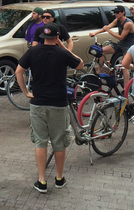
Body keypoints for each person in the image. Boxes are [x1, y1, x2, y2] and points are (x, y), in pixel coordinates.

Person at [15, 23, 83, 193]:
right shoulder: (62, 53)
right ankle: (59, 178)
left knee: (40, 141)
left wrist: (26, 92)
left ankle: (42, 180)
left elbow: (18, 71)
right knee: (59, 143)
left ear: (43, 38)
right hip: (58, 103)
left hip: (38, 102)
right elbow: (80, 64)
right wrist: (64, 48)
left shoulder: (33, 52)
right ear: (57, 37)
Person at [88, 5, 134, 87]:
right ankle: (99, 72)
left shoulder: (128, 23)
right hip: (121, 44)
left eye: (117, 12)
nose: (115, 14)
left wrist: (109, 31)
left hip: (129, 46)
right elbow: (106, 27)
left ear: (123, 13)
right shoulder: (117, 20)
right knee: (101, 51)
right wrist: (95, 33)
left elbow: (121, 37)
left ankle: (125, 88)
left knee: (124, 67)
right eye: (115, 12)